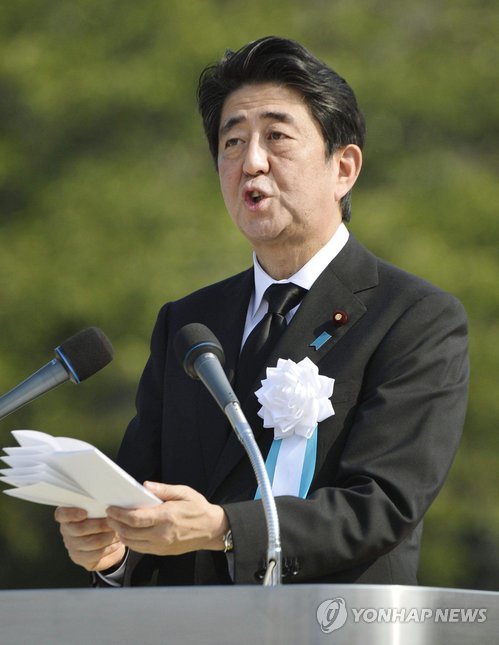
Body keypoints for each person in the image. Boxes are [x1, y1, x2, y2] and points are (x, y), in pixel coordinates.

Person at [55, 36, 469, 586]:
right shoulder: (187, 323)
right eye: (232, 142)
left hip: (336, 620)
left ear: (344, 168)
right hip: (192, 623)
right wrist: (110, 551)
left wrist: (225, 527)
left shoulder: (414, 317)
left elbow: (382, 504)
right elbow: (144, 500)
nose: (251, 162)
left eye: (277, 136)